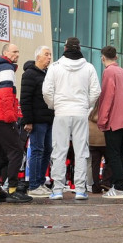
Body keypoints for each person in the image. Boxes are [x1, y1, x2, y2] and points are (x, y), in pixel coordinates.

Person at [42, 37, 100, 200]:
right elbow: (96, 91)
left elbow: (46, 91)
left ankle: (58, 189)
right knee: (81, 151)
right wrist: (85, 105)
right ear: (79, 48)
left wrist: (55, 105)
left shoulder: (55, 67)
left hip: (61, 111)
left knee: (59, 151)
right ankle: (80, 189)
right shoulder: (89, 67)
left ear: (65, 48)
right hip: (80, 112)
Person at [0, 43, 32, 203]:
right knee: (16, 150)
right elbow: (6, 94)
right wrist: (11, 116)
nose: (17, 54)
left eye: (18, 51)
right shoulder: (7, 68)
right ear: (5, 53)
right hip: (2, 116)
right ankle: (12, 189)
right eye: (14, 51)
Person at [95, 45, 123, 199]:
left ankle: (119, 187)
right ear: (116, 57)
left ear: (103, 58)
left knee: (113, 154)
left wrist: (102, 120)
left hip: (115, 119)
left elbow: (107, 97)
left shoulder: (109, 72)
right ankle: (119, 185)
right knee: (120, 154)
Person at [20, 45, 53, 196]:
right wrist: (28, 121)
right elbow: (25, 99)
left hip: (49, 119)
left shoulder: (48, 74)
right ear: (38, 56)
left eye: (50, 54)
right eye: (46, 54)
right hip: (37, 120)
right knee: (37, 150)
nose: (49, 57)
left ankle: (40, 182)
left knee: (47, 150)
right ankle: (33, 185)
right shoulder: (29, 74)